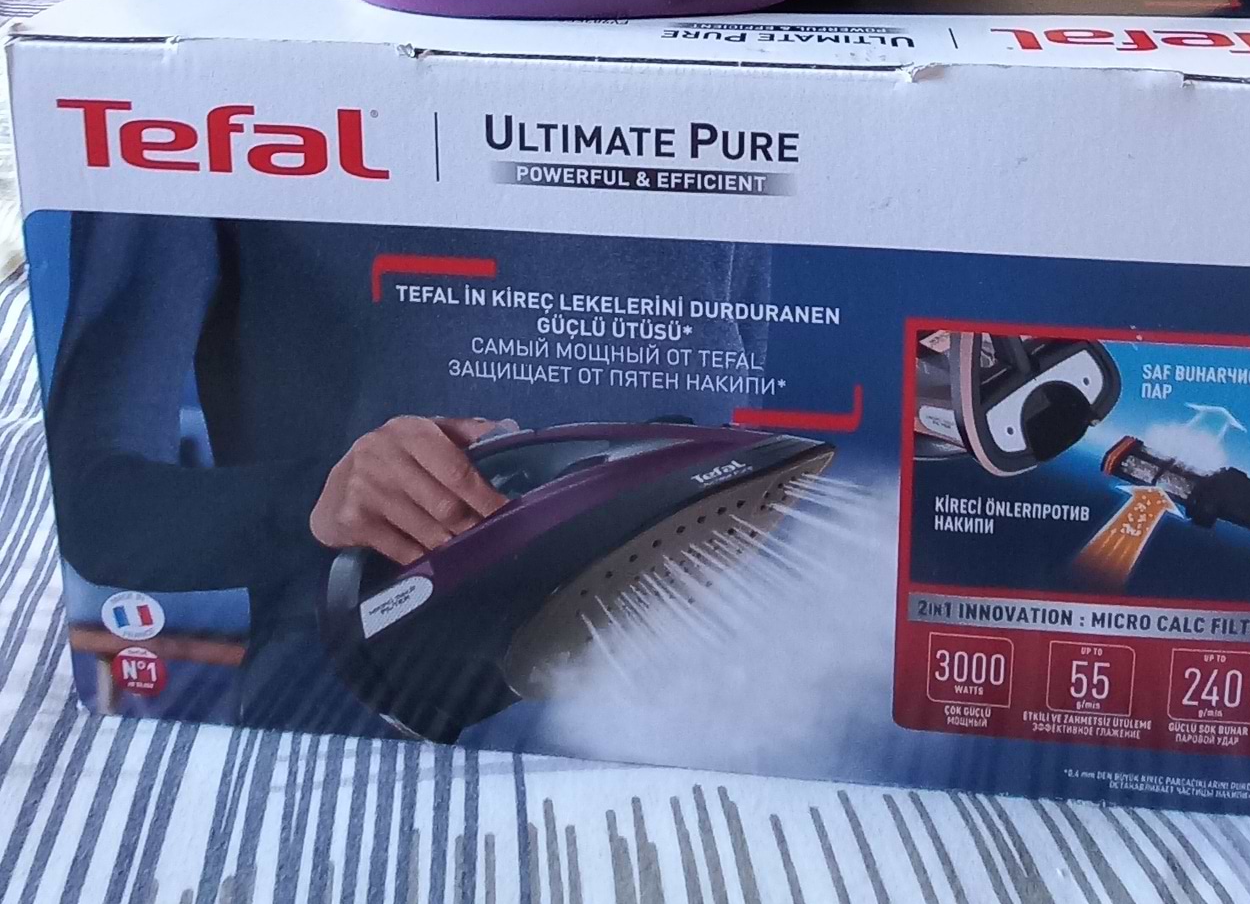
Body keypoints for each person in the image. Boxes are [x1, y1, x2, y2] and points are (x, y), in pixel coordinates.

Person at [46, 212, 770, 733]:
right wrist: (319, 500)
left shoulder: (721, 114)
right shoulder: (200, 96)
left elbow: (732, 446)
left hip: (684, 737)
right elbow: (99, 507)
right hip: (360, 744)